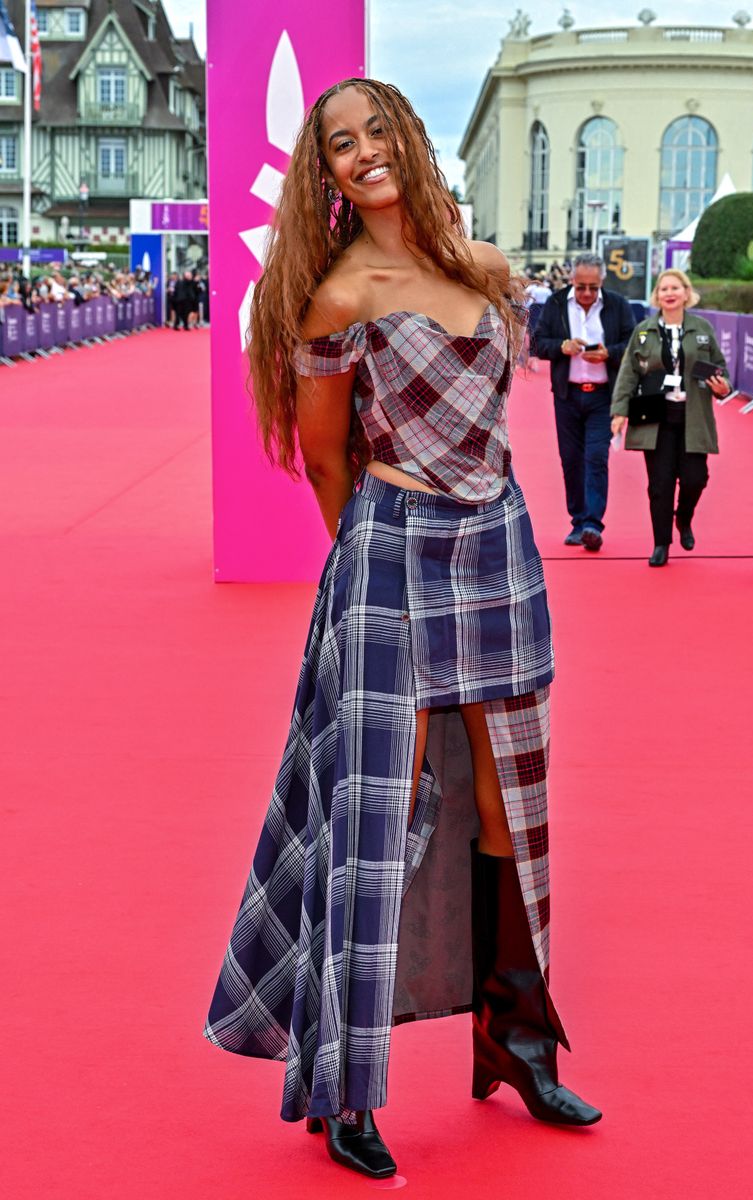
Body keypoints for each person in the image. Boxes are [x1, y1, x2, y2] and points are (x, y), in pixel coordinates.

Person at [203, 78, 601, 1182]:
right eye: (341, 144)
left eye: (378, 131)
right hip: (389, 555)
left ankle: (515, 1045)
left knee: (505, 809)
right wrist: (368, 566)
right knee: (377, 814)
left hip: (501, 550)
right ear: (323, 173)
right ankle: (344, 1085)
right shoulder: (336, 295)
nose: (365, 153)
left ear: (408, 141)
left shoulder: (478, 267)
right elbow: (325, 457)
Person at [610, 269, 730, 566]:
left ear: (686, 293)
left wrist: (722, 386)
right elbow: (628, 373)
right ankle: (661, 543)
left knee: (695, 479)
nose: (669, 293)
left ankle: (684, 518)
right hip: (656, 417)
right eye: (664, 289)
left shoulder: (702, 328)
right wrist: (619, 412)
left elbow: (720, 369)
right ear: (657, 296)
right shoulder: (643, 330)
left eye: (675, 287)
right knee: (660, 485)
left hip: (694, 415)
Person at [534, 254, 635, 550]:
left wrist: (609, 353)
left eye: (593, 287)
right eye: (580, 287)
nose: (587, 293)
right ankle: (577, 522)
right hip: (567, 395)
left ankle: (592, 523)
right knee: (571, 460)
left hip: (603, 396)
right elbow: (538, 343)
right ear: (571, 281)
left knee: (596, 458)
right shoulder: (555, 303)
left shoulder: (618, 305)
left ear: (601, 282)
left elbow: (631, 344)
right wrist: (561, 346)